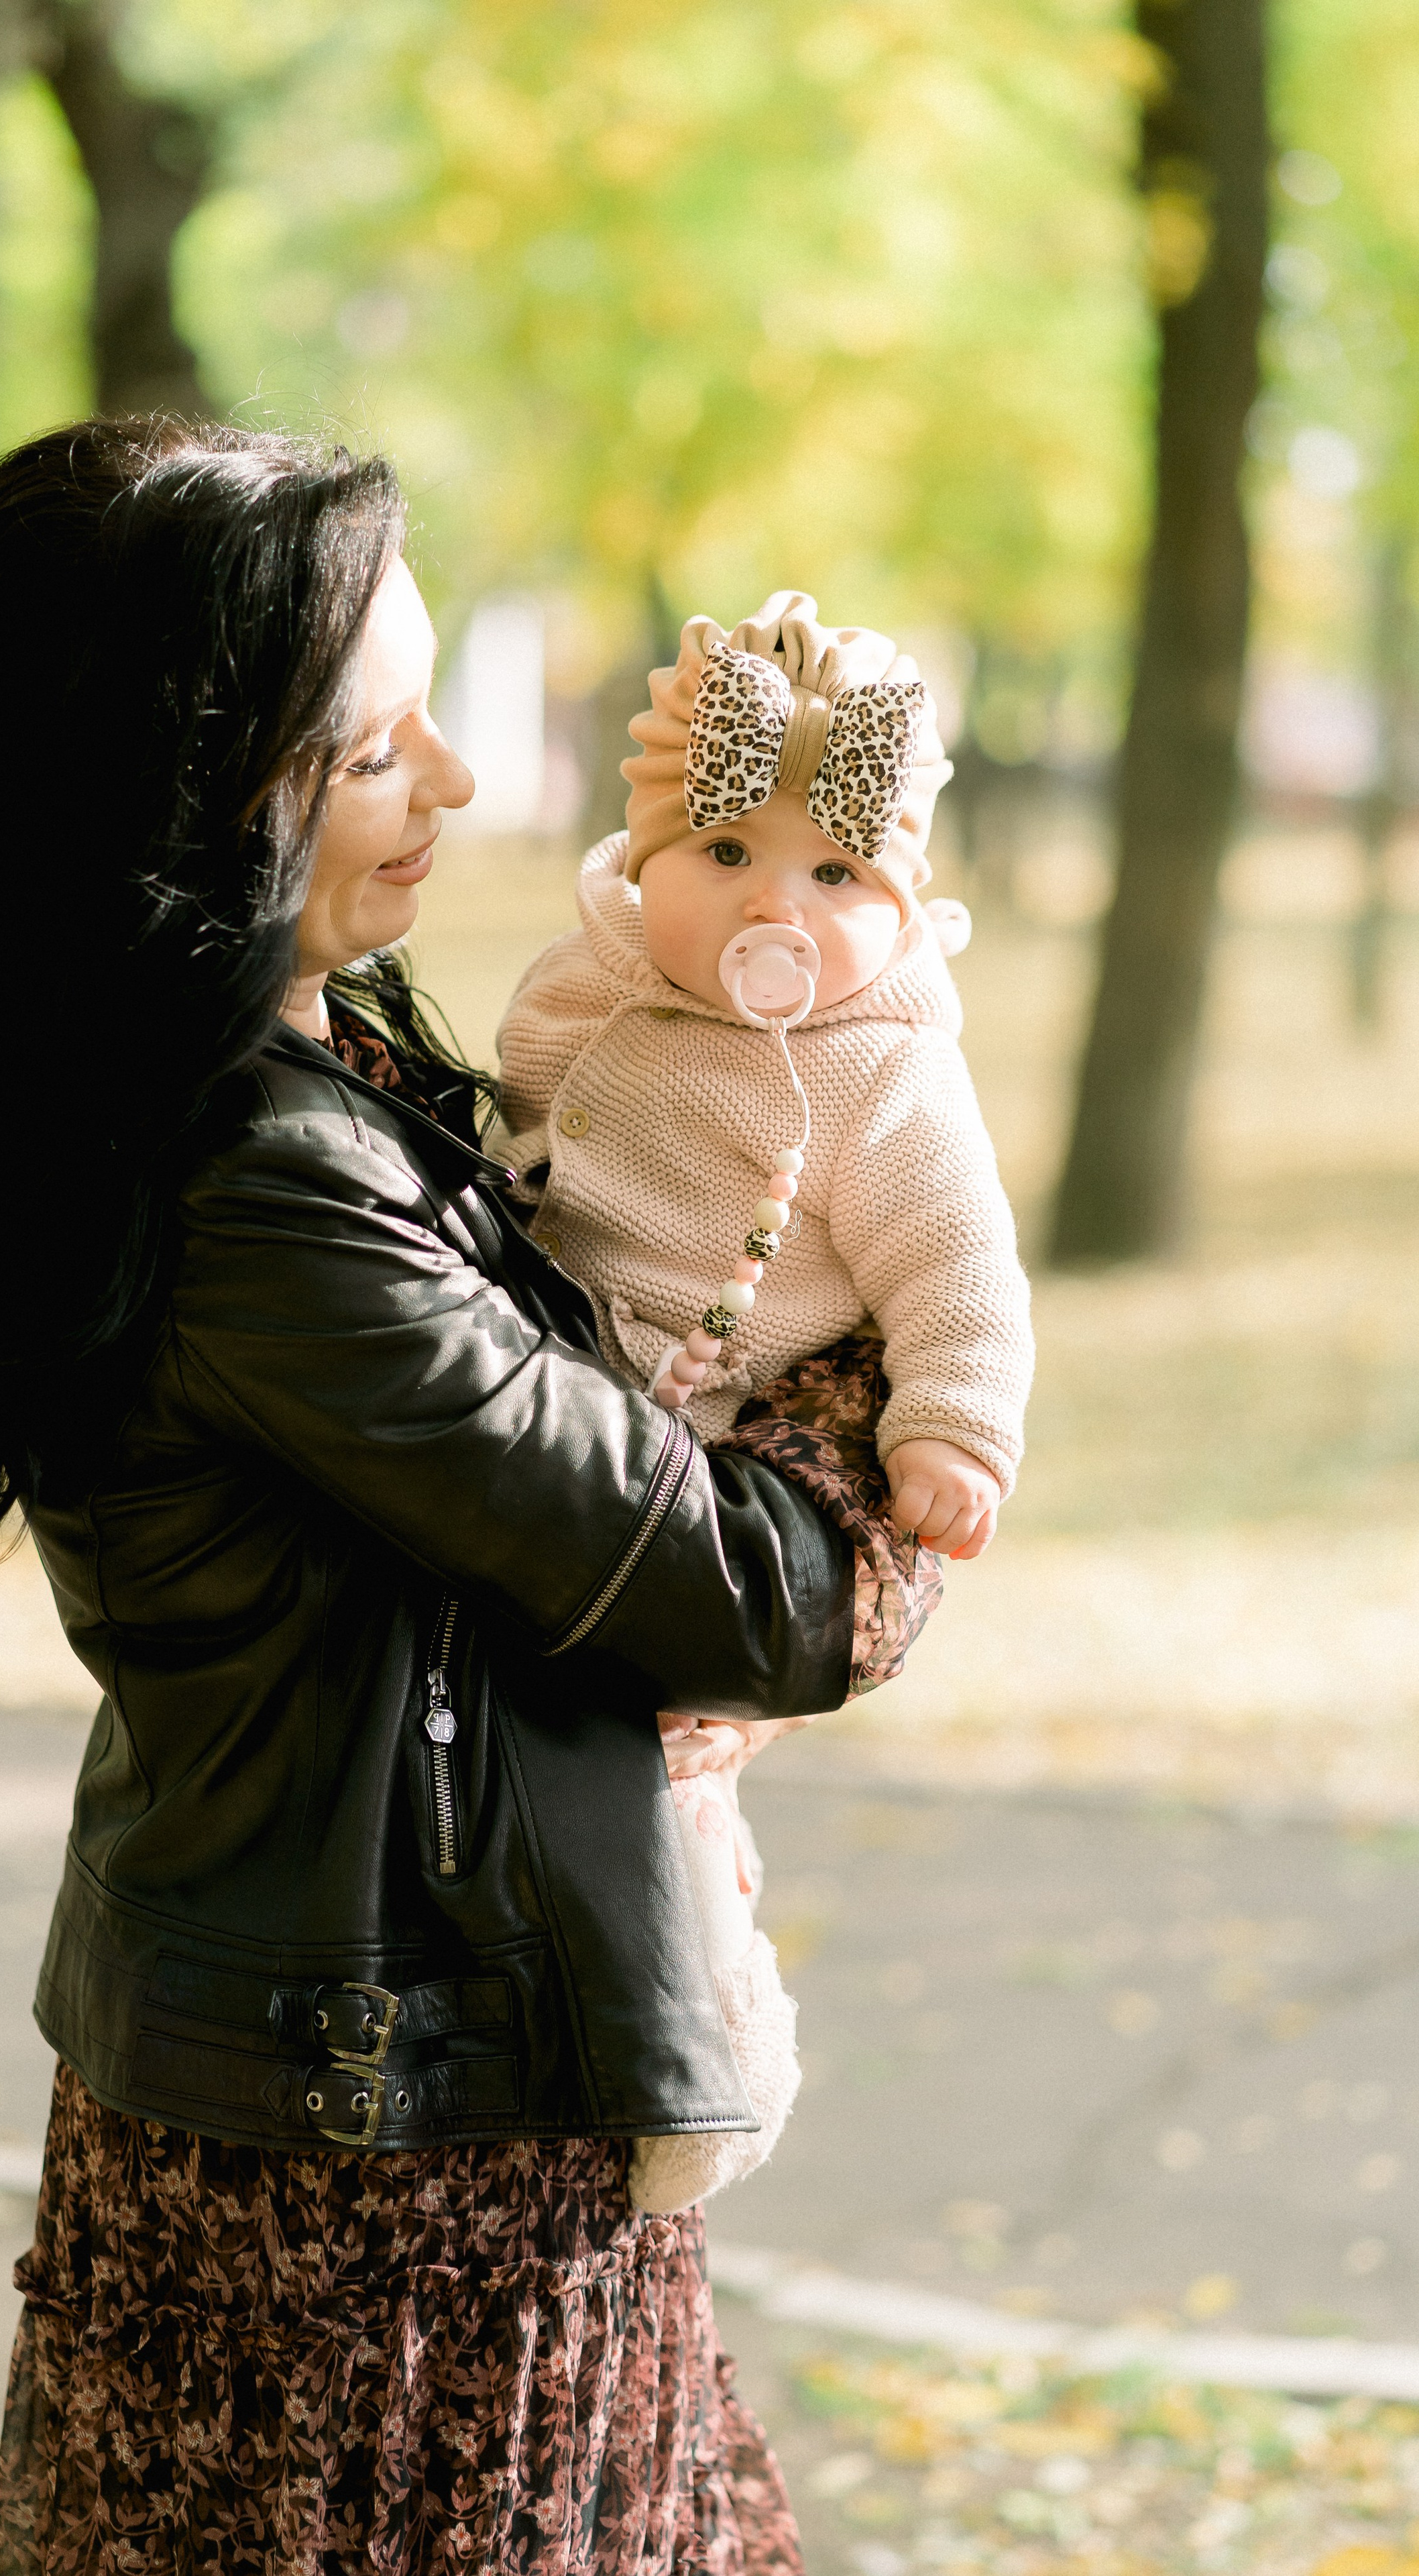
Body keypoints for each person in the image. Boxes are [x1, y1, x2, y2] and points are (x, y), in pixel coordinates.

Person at [0, 421, 926, 2573]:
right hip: (373, 2200)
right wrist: (907, 1350)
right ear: (186, 791)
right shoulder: (259, 1195)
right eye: (381, 752)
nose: (464, 790)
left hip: (364, 2101)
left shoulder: (290, 1088)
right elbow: (763, 1596)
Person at [496, 592, 1035, 2210]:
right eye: (724, 854)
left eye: (832, 874)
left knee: (676, 1771)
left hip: (715, 1435)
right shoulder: (589, 988)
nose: (771, 908)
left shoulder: (882, 1074)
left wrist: (947, 1421)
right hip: (552, 1388)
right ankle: (563, 2016)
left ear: (902, 899)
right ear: (642, 857)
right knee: (561, 1761)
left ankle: (702, 2055)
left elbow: (958, 1265)